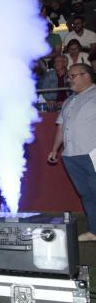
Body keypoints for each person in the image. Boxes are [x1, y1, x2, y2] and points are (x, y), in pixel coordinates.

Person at [47, 64, 96, 242]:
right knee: (87, 194)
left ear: (86, 76)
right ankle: (94, 231)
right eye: (68, 77)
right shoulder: (69, 101)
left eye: (72, 76)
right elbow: (61, 127)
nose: (68, 80)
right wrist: (55, 149)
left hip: (92, 153)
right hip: (71, 155)